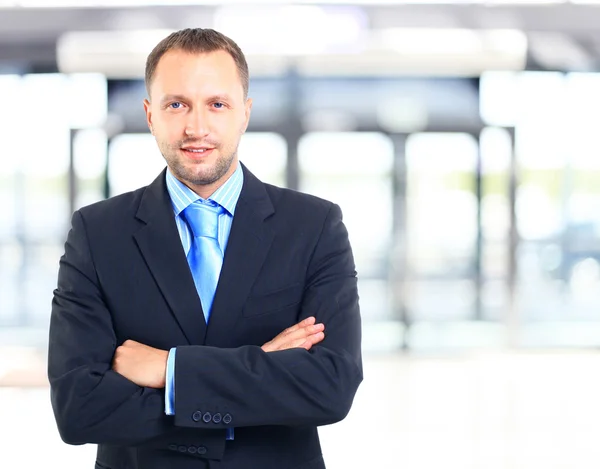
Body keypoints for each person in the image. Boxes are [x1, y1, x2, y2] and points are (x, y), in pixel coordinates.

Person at [48, 28, 362, 469]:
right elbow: (78, 408)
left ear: (245, 113)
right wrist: (262, 368)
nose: (196, 127)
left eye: (217, 104)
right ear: (150, 114)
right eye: (176, 104)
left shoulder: (314, 227)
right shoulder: (97, 233)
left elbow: (330, 386)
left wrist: (170, 372)